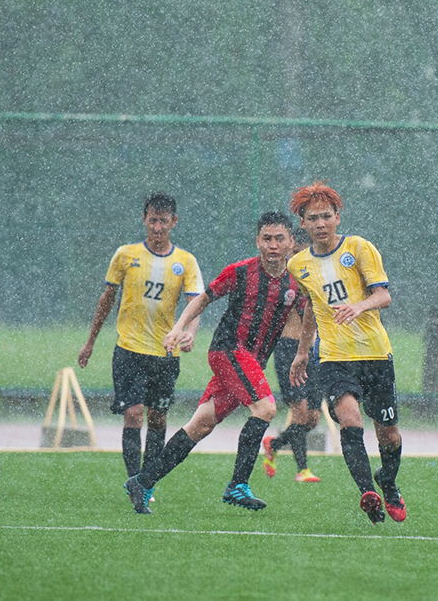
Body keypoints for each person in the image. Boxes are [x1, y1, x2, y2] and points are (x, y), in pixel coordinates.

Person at [124, 212, 305, 514]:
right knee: (266, 408)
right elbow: (203, 298)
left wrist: (304, 352)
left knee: (201, 425)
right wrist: (179, 326)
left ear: (290, 243)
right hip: (227, 351)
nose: (273, 245)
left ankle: (142, 481)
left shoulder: (296, 282)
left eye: (279, 239)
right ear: (257, 241)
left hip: (250, 363)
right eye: (267, 238)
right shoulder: (240, 272)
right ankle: (237, 485)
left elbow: (308, 317)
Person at [286, 180, 406, 524]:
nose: (320, 223)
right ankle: (367, 493)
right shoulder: (299, 264)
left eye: (326, 216)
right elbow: (311, 305)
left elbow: (383, 295)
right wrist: (303, 350)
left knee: (389, 433)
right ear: (303, 223)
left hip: (375, 353)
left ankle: (388, 482)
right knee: (350, 418)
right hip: (335, 356)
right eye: (313, 218)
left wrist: (358, 306)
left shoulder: (359, 248)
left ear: (338, 217)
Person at [78, 193, 203, 502]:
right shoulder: (125, 255)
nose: (157, 227)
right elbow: (106, 299)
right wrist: (91, 340)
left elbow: (196, 303)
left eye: (163, 221)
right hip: (129, 351)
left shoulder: (185, 261)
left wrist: (189, 333)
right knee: (133, 414)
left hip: (165, 354)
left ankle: (147, 483)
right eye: (152, 220)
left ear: (174, 222)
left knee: (157, 418)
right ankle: (135, 483)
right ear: (144, 219)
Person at [261, 229, 322, 483]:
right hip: (288, 349)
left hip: (315, 351)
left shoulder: (317, 277)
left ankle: (274, 444)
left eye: (303, 253)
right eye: (295, 252)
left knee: (312, 419)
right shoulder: (282, 281)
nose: (298, 258)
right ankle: (302, 470)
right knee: (300, 411)